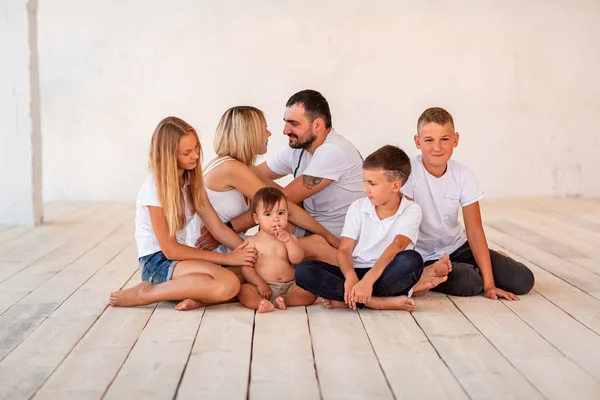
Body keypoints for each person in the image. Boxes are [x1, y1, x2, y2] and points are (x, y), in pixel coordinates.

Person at [109, 116, 257, 311]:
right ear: (169, 156)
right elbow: (170, 249)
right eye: (187, 152)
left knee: (249, 271)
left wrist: (250, 252)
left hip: (179, 259)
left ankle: (198, 299)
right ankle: (146, 294)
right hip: (156, 262)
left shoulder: (190, 183)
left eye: (196, 148)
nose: (195, 156)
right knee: (229, 283)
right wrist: (228, 259)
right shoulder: (154, 188)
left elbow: (218, 229)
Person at [295, 145, 450, 311]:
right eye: (365, 182)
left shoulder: (411, 210)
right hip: (356, 272)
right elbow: (344, 250)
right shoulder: (358, 207)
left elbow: (397, 246)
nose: (365, 189)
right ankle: (377, 302)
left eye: (372, 183)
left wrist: (368, 281)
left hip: (386, 273)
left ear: (395, 186)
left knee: (412, 260)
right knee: (305, 270)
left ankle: (350, 299)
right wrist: (350, 277)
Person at [402, 107, 535, 299]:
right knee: (471, 282)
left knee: (523, 281)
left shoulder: (463, 175)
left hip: (457, 247)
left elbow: (474, 229)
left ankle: (485, 265)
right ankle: (446, 272)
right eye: (429, 140)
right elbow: (405, 228)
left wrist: (490, 286)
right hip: (424, 257)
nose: (437, 147)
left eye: (444, 139)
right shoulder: (409, 173)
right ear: (417, 142)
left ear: (455, 140)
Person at [192, 105, 340, 265]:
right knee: (317, 245)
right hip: (218, 250)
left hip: (229, 243)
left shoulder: (245, 167)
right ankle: (358, 277)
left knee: (299, 237)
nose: (269, 133)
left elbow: (283, 199)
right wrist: (329, 236)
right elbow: (285, 207)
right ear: (250, 134)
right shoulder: (230, 167)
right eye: (264, 129)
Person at [249, 89, 365, 239]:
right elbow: (251, 175)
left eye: (294, 124)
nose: (285, 131)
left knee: (274, 215)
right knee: (254, 181)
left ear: (317, 125)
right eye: (285, 122)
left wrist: (228, 227)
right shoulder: (298, 147)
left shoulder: (334, 151)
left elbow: (279, 202)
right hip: (312, 230)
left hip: (337, 238)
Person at [238, 187, 318, 313]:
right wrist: (259, 284)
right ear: (256, 218)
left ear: (287, 214)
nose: (276, 219)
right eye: (268, 214)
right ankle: (261, 303)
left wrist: (288, 242)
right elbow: (246, 267)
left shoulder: (290, 238)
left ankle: (286, 299)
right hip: (264, 286)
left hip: (291, 285)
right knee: (245, 291)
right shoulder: (252, 242)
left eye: (281, 213)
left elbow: (296, 259)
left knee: (310, 291)